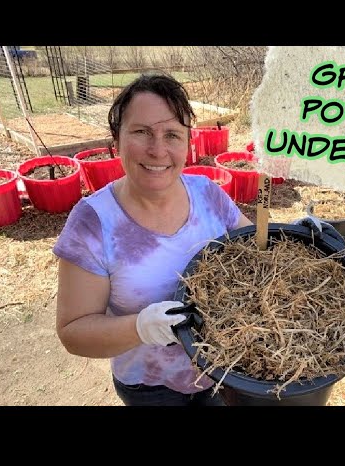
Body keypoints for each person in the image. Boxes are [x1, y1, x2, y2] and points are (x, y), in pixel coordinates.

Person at [53, 72, 253, 406]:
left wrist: (300, 235)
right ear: (117, 139)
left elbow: (257, 249)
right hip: (153, 387)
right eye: (142, 132)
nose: (157, 149)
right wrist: (141, 328)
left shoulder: (207, 194)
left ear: (188, 143)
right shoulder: (93, 221)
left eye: (172, 134)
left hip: (225, 369)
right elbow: (73, 332)